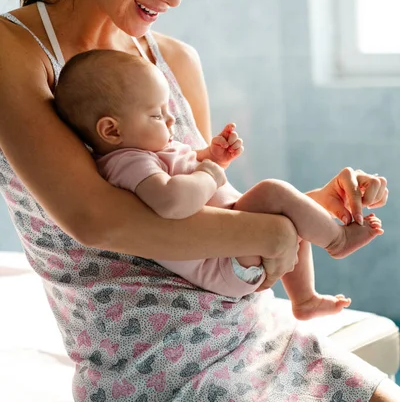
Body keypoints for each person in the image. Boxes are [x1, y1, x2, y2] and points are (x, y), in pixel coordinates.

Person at [0, 0, 398, 402]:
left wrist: (315, 207)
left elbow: (216, 214)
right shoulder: (14, 53)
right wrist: (271, 229)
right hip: (155, 371)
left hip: (249, 330)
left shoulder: (174, 61)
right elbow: (96, 220)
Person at [54, 49, 383, 322]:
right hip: (220, 262)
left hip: (231, 247)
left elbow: (183, 171)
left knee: (290, 209)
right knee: (273, 191)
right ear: (111, 131)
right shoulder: (127, 161)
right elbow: (172, 201)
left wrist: (211, 157)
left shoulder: (147, 153)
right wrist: (210, 173)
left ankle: (305, 298)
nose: (170, 121)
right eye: (156, 116)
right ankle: (338, 240)